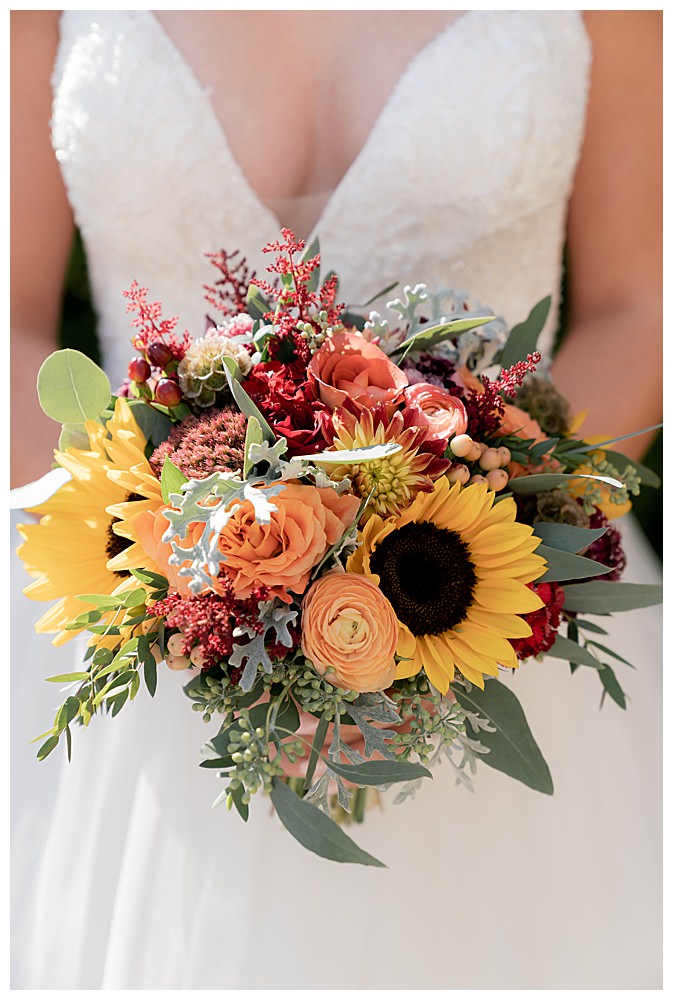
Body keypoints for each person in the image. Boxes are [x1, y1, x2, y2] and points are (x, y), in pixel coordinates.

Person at [10, 10, 662, 989]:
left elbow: (641, 309)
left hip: (501, 604)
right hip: (131, 617)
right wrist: (193, 580)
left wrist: (447, 552)